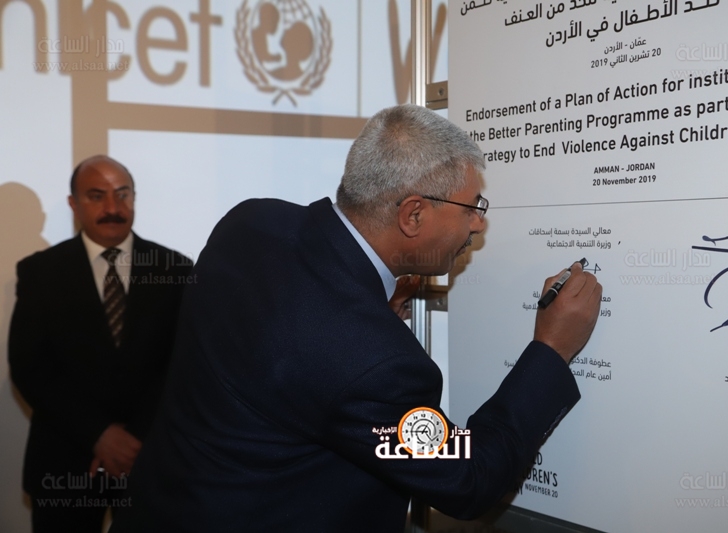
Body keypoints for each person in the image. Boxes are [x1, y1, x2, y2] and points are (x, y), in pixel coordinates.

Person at [110, 105, 601, 533]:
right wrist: (551, 349)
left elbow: (290, 334)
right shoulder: (373, 363)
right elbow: (468, 478)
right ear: (412, 215)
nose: (478, 222)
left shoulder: (251, 223)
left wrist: (368, 306)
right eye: (471, 208)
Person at [7, 155, 193, 533]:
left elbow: (184, 363)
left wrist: (134, 438)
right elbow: (30, 366)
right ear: (73, 204)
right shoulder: (40, 272)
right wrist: (100, 435)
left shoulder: (176, 269)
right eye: (97, 196)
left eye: (122, 194)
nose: (113, 207)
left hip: (150, 460)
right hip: (65, 463)